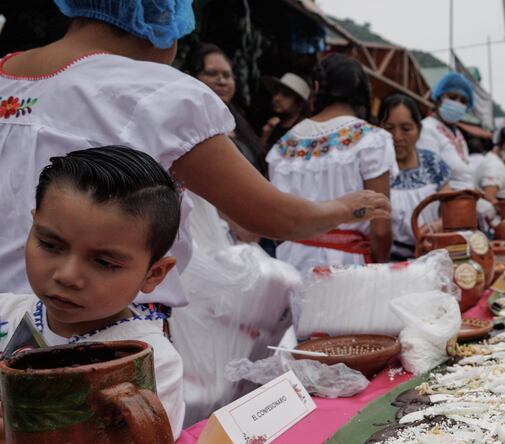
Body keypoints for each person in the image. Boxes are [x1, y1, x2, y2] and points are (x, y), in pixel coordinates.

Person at [0, 0, 391, 309]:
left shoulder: (6, 75)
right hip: (99, 339)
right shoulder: (158, 95)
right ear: (162, 19)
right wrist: (347, 207)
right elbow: (277, 217)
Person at [0, 146, 185, 440]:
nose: (67, 276)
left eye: (104, 263)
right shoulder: (5, 312)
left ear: (154, 274)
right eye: (50, 244)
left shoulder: (148, 363)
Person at [268, 54, 395, 272]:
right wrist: (378, 263)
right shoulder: (372, 139)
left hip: (290, 262)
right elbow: (381, 228)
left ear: (316, 87)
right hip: (349, 265)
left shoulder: (283, 145)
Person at [378, 94, 451, 261]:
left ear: (418, 131)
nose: (397, 137)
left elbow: (451, 210)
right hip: (388, 263)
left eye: (406, 129)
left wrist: (437, 225)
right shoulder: (375, 169)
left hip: (432, 258)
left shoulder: (433, 164)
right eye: (389, 128)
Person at [183, 43, 266, 174]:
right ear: (193, 77)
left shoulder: (238, 123)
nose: (222, 81)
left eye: (227, 75)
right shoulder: (186, 124)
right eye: (211, 73)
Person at [417, 71, 477, 189]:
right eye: (452, 97)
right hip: (447, 201)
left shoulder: (457, 133)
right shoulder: (427, 129)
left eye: (463, 101)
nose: (457, 103)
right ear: (439, 98)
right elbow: (431, 175)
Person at [260, 72, 311, 157]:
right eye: (276, 92)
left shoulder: (304, 132)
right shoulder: (273, 125)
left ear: (300, 104)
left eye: (286, 94)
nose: (277, 98)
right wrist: (265, 136)